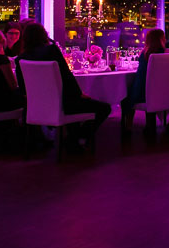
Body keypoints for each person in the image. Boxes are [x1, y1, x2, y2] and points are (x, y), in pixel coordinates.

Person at [16, 23, 111, 153]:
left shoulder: (21, 59)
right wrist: (79, 93)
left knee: (73, 102)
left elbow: (23, 89)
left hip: (36, 106)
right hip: (63, 104)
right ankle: (76, 137)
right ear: (44, 35)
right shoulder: (51, 50)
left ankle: (73, 139)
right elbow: (66, 76)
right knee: (104, 108)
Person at [127, 28, 169, 134]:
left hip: (141, 92)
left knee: (127, 93)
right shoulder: (163, 53)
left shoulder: (144, 53)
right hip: (159, 92)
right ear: (160, 39)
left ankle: (128, 125)